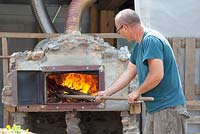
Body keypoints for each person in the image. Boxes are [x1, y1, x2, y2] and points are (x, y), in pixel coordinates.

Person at [95, 9, 189, 134]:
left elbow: (157, 75)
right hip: (155, 109)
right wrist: (106, 93)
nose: (120, 34)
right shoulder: (139, 46)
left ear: (125, 27)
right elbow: (128, 73)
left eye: (118, 30)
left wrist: (137, 92)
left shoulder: (151, 40)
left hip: (168, 110)